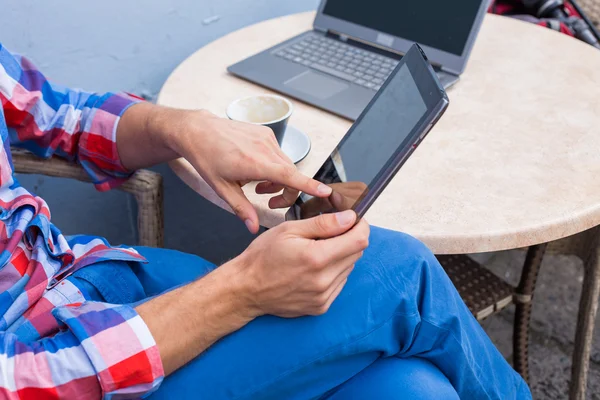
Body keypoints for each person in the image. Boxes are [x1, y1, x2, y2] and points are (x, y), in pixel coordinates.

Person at [0, 42, 530, 400]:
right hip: (65, 366)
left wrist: (182, 127)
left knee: (415, 389)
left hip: (88, 276)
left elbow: (52, 113)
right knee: (400, 272)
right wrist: (240, 291)